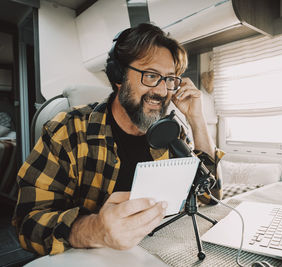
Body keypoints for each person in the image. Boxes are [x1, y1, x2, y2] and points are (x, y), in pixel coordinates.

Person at [12, 23, 224, 256]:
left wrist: (196, 118)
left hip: (156, 253)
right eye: (151, 75)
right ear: (118, 76)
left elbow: (209, 194)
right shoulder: (67, 131)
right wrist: (95, 229)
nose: (163, 91)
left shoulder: (171, 134)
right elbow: (27, 223)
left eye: (169, 79)